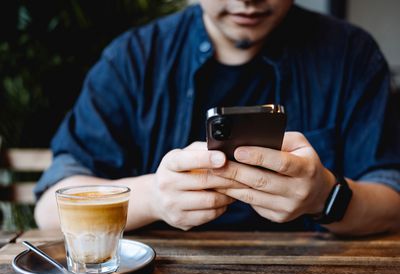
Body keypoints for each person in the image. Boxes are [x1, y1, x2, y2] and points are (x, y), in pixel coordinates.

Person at [34, 0, 400, 236]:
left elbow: (392, 195)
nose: (248, 2)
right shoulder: (134, 58)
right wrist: (153, 199)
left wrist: (325, 196)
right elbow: (50, 208)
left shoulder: (351, 54)